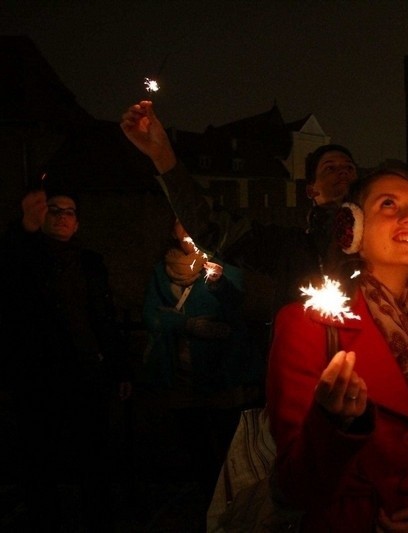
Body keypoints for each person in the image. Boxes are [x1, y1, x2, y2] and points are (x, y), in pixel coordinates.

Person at [266, 167, 408, 531]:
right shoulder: (308, 325)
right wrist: (331, 424)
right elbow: (294, 484)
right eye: (388, 204)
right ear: (352, 230)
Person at [120, 100, 358, 326]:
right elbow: (212, 228)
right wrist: (162, 155)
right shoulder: (291, 248)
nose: (343, 172)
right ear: (311, 190)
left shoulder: (382, 237)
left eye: (349, 167)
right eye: (330, 168)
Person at [0, 187, 132, 532]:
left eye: (69, 211)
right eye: (54, 210)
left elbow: (103, 316)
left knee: (94, 456)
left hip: (86, 373)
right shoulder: (26, 259)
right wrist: (24, 227)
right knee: (39, 459)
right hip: (39, 376)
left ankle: (98, 519)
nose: (61, 216)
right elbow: (10, 267)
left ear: (77, 223)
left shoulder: (89, 263)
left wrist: (118, 367)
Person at [140, 218, 261, 503]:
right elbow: (151, 315)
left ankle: (233, 503)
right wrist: (188, 326)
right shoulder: (162, 272)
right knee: (195, 446)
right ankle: (206, 503)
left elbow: (237, 309)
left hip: (220, 375)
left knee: (227, 445)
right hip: (181, 377)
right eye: (183, 224)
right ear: (173, 231)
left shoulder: (224, 266)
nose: (190, 230)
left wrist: (220, 285)